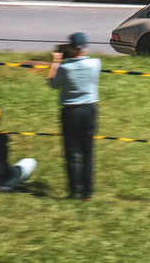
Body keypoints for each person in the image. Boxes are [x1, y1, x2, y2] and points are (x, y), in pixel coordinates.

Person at [48, 31, 102, 200]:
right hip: (89, 110)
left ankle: (74, 191)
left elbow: (52, 83)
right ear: (85, 47)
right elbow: (86, 60)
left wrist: (56, 61)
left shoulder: (65, 68)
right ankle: (87, 193)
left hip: (71, 111)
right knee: (87, 152)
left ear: (71, 48)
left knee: (71, 153)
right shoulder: (95, 64)